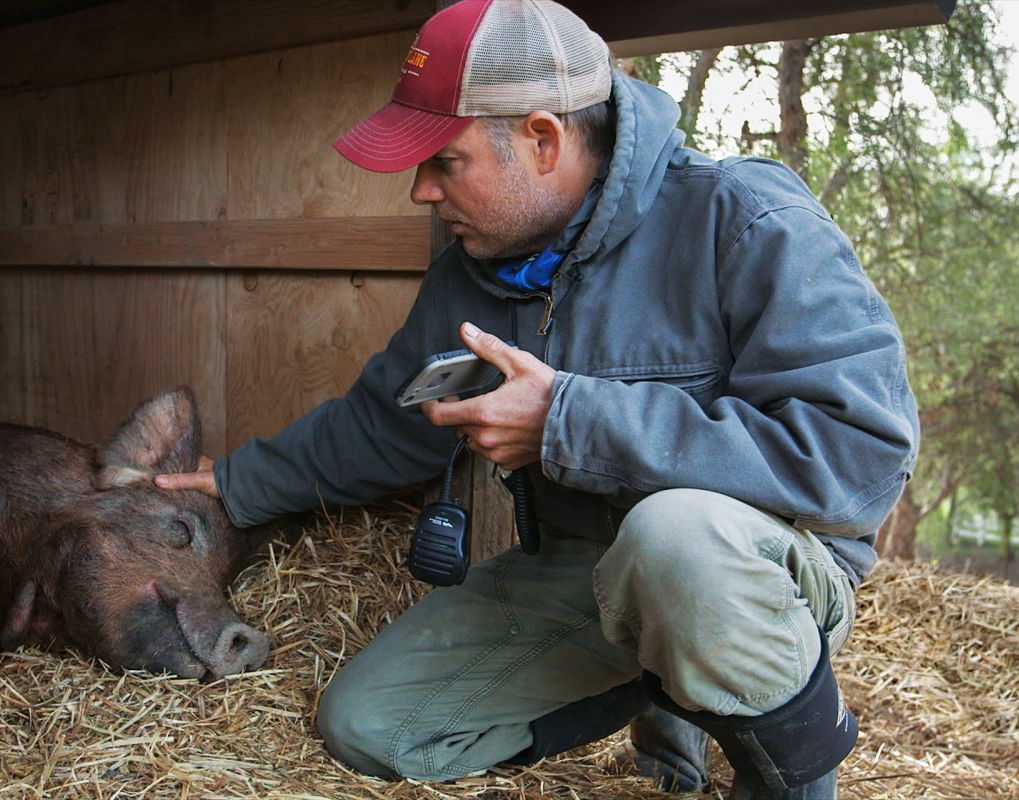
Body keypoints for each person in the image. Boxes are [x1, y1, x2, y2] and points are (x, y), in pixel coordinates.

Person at [156, 1, 919, 797]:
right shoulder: (476, 261)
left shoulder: (745, 219)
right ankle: (668, 685)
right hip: (585, 570)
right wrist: (236, 484)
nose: (420, 191)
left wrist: (567, 419)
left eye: (444, 162)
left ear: (544, 140)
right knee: (367, 726)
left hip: (762, 574)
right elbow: (390, 423)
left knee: (676, 539)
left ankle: (791, 770)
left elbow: (857, 456)